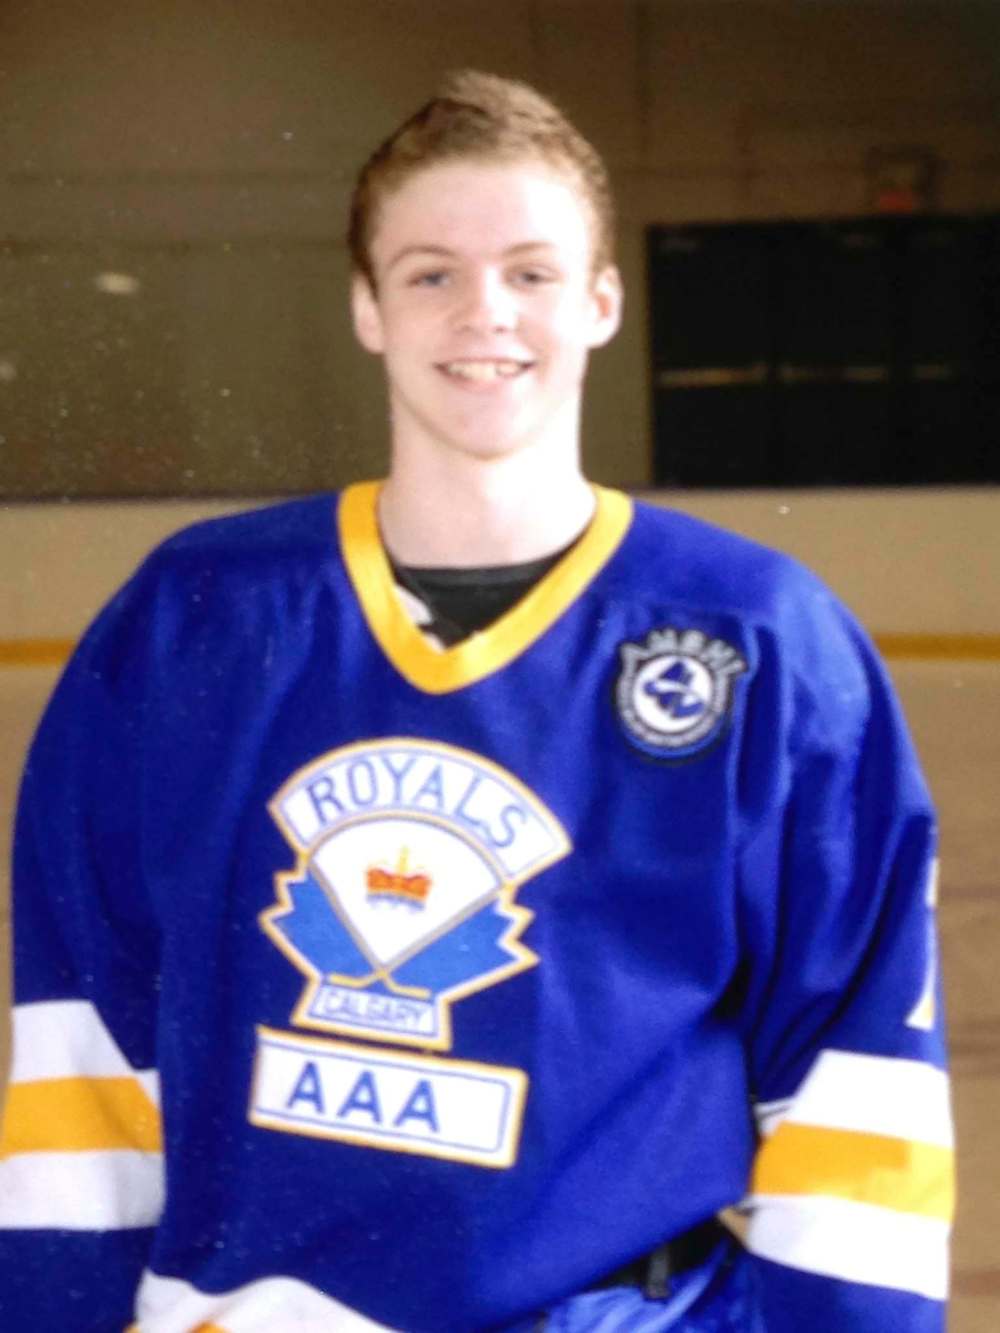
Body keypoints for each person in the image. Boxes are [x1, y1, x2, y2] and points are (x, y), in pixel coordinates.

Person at [0, 70, 953, 1332]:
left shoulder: (758, 638)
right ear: (367, 307)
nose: (483, 311)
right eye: (431, 273)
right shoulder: (192, 619)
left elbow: (857, 1082)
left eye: (531, 271)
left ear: (602, 300)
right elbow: (83, 1042)